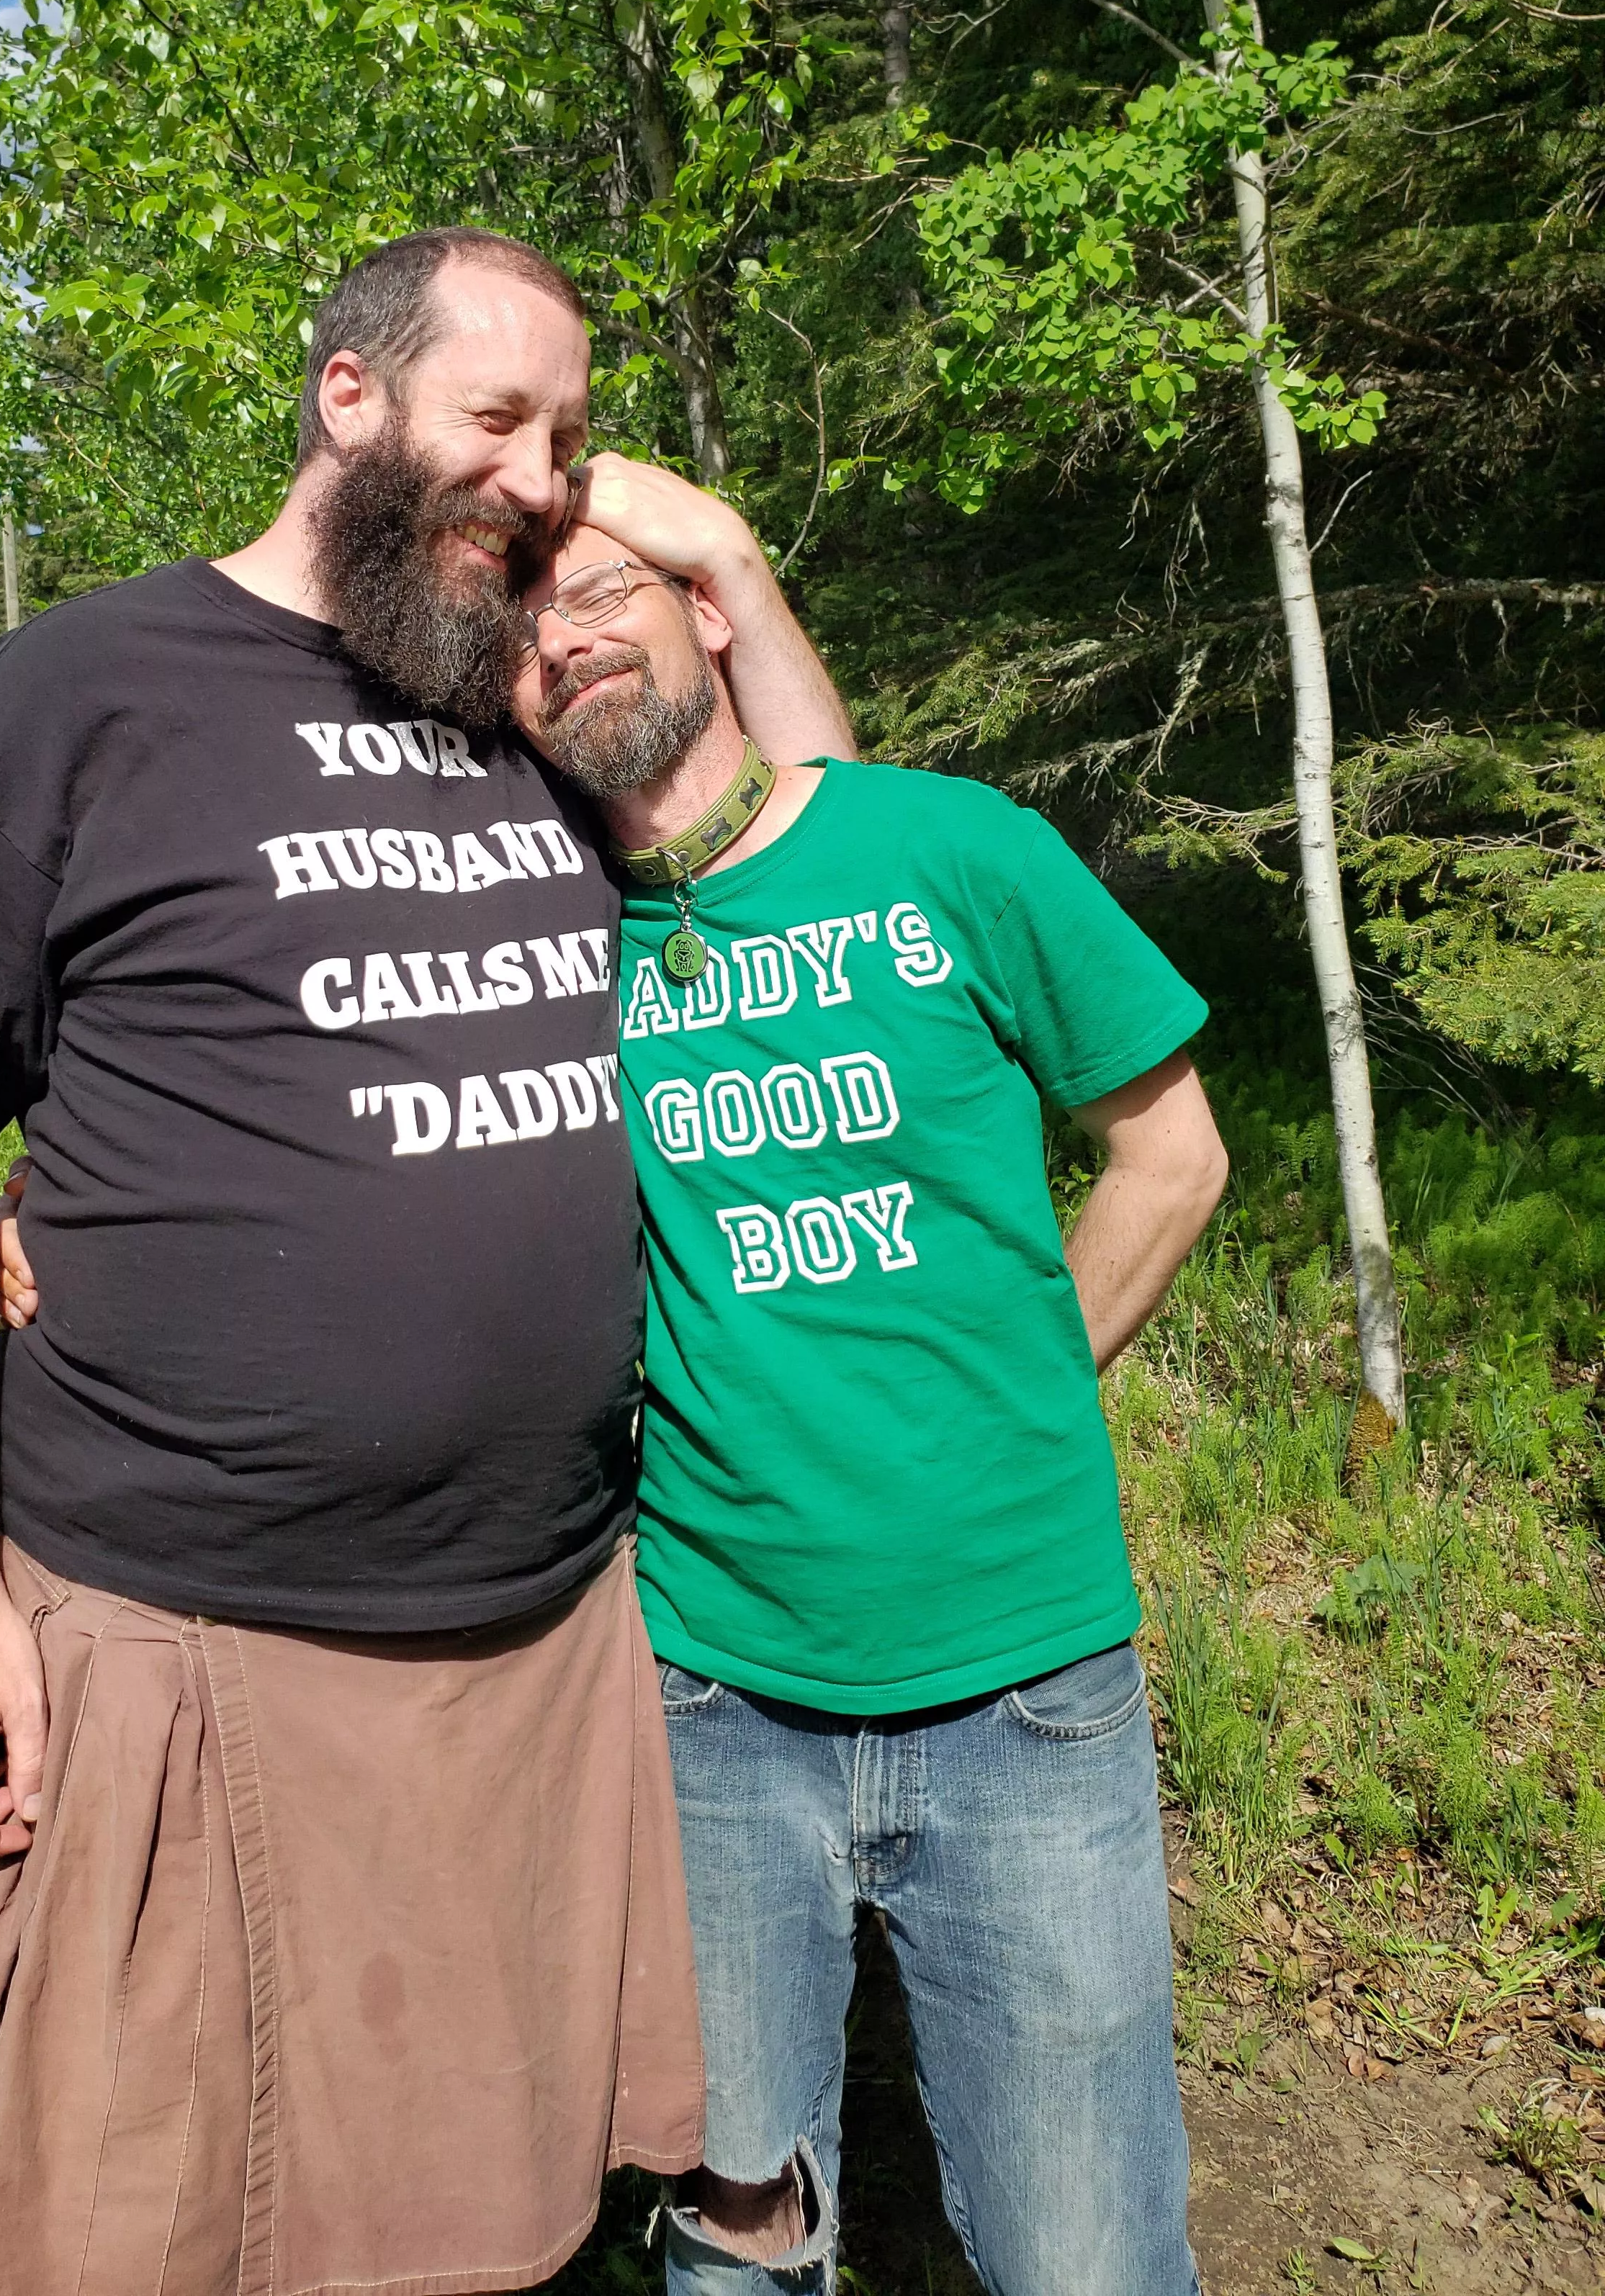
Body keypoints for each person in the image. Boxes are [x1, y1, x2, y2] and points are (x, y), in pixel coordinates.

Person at [0, 227, 856, 2296]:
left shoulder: (526, 700)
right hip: (191, 1623)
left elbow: (819, 866)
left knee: (483, 2212)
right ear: (349, 395)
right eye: (500, 419)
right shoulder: (87, 689)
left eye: (571, 439)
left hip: (540, 1620)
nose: (541, 480)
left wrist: (731, 564)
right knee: (146, 2221)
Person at [506, 519, 1228, 2296]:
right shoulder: (544, 945)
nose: (566, 640)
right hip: (711, 1693)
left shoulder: (950, 848)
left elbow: (1171, 1157)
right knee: (735, 2240)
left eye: (601, 588)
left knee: (1088, 2256)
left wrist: (1016, 1400)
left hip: (1028, 1685)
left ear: (703, 611)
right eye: (521, 626)